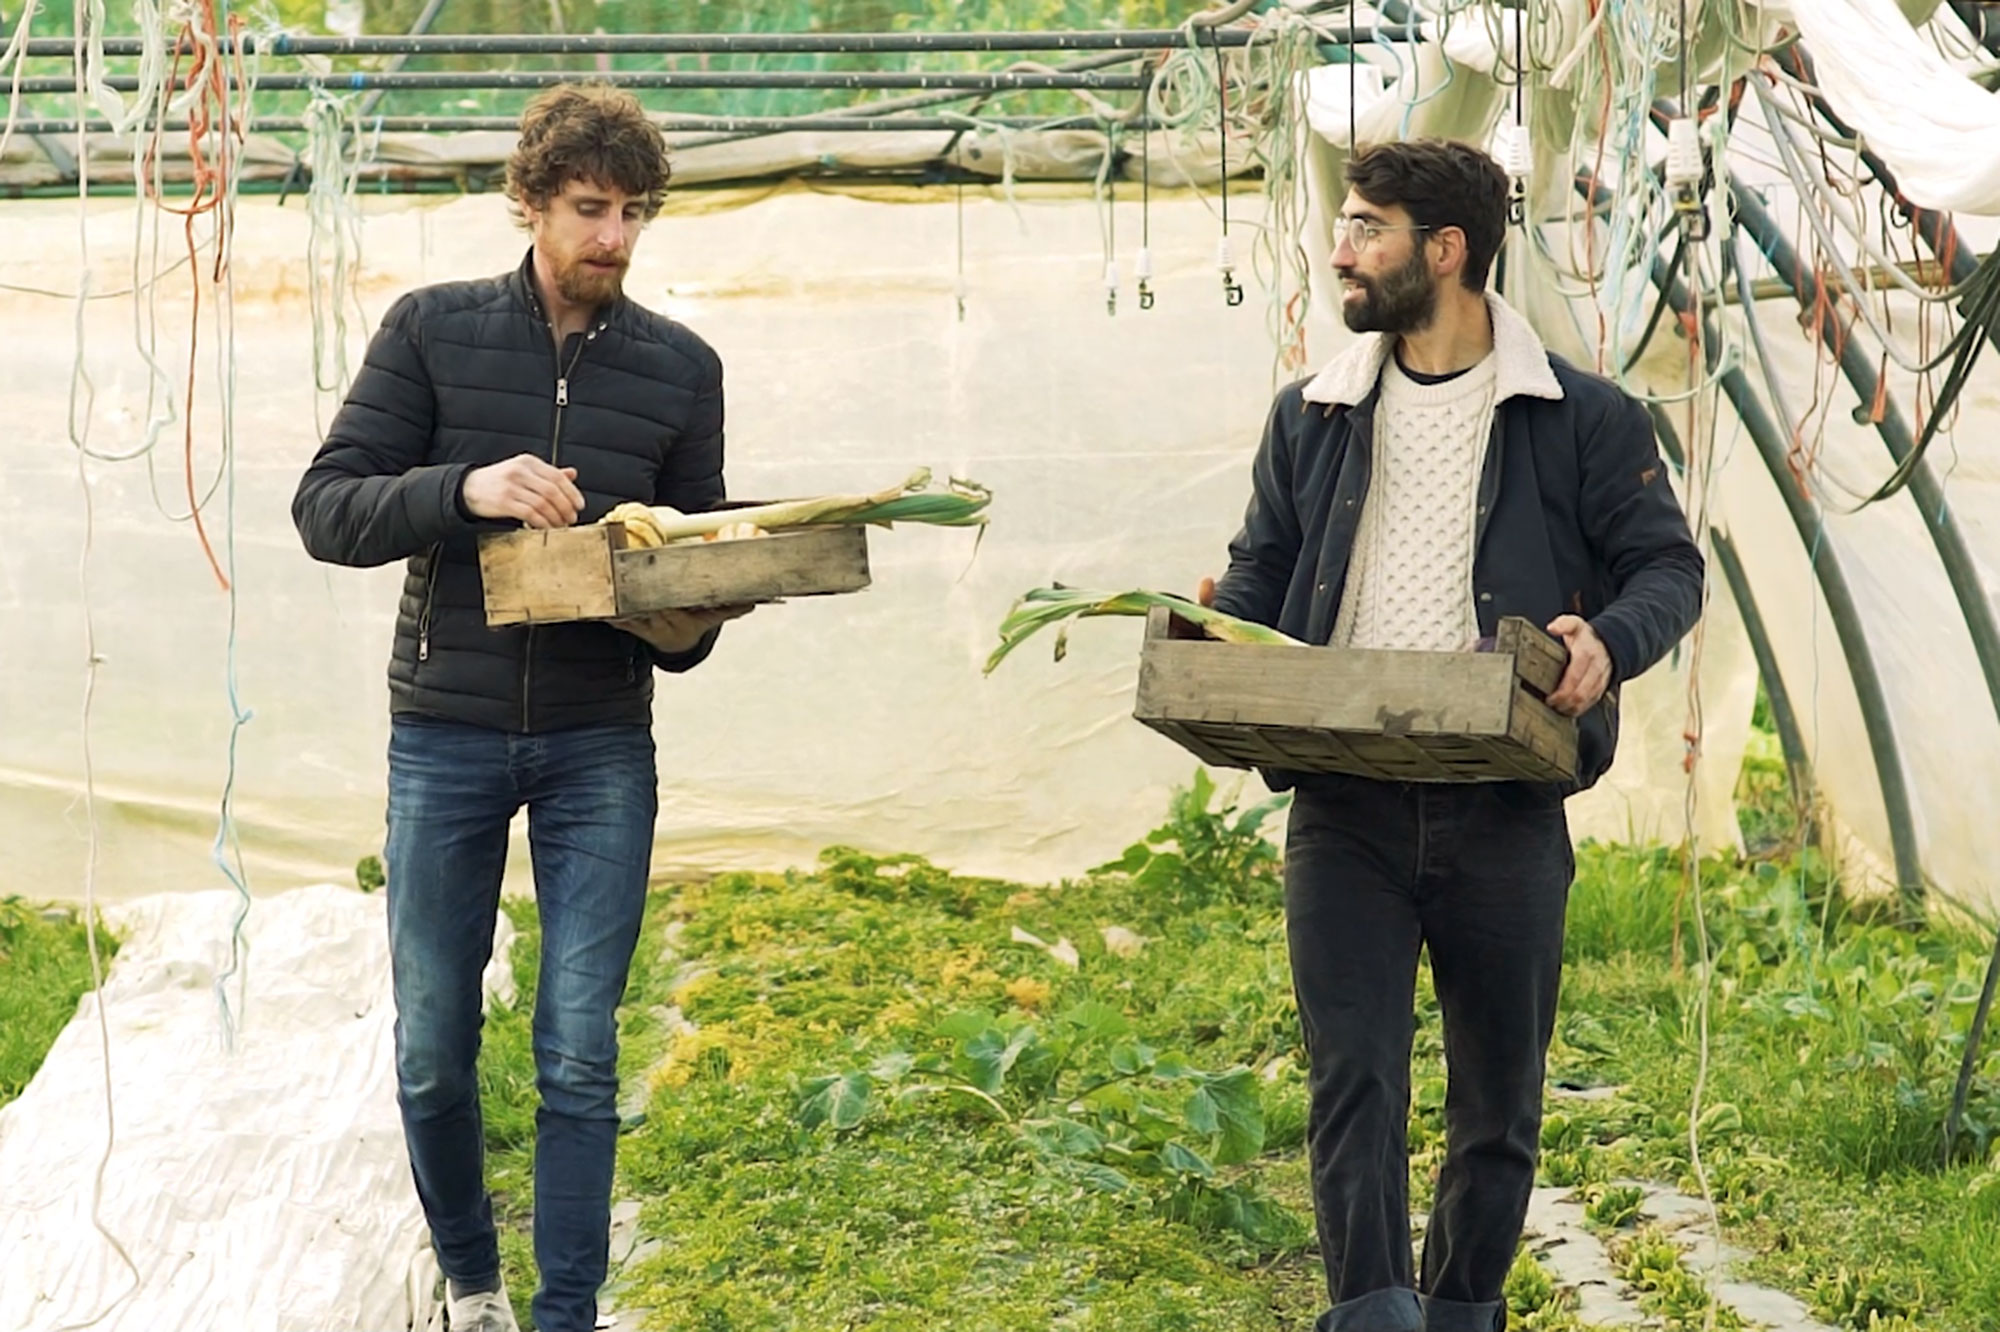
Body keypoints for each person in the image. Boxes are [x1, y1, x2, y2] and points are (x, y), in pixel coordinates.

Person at [1201, 139, 1704, 1332]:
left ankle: (1463, 1310)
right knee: (1353, 1080)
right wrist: (1219, 620)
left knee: (1497, 1104)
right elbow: (1263, 568)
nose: (1341, 250)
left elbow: (1665, 567)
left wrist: (1605, 643)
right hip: (1346, 800)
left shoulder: (1581, 418)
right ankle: (1373, 1316)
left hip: (1505, 803)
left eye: (1366, 227)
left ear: (1446, 251)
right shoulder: (1308, 416)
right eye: (1344, 225)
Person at [292, 83, 747, 1332]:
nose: (612, 236)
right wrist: (467, 487)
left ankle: (567, 1316)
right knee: (435, 1038)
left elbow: (689, 579)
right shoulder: (433, 334)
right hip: (445, 729)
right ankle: (472, 1283)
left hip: (600, 739)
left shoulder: (679, 370)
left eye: (632, 213)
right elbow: (327, 509)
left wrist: (686, 619)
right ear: (532, 204)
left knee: (578, 1048)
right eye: (589, 209)